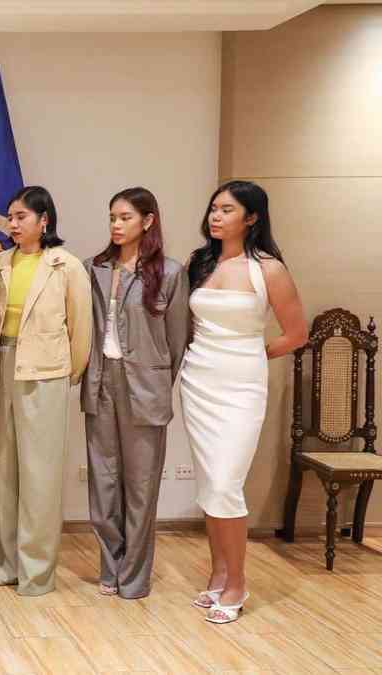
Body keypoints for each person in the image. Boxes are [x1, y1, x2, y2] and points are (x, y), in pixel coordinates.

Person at [181, 180, 306, 624]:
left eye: (227, 210)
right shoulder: (201, 262)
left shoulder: (268, 269)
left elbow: (296, 334)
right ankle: (218, 573)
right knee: (209, 484)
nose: (216, 216)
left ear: (251, 218)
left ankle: (237, 584)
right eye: (214, 208)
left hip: (241, 387)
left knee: (225, 485)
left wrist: (253, 353)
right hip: (197, 382)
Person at [81, 187, 189, 600]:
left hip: (145, 387)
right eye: (112, 216)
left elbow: (177, 342)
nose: (116, 224)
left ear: (148, 220)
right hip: (100, 382)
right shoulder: (96, 269)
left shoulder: (171, 273)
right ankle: (111, 567)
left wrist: (155, 380)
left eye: (125, 217)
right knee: (103, 484)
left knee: (141, 486)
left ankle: (135, 576)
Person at [0, 185, 91, 596]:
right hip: (1, 369)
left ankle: (37, 571)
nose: (13, 224)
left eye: (21, 217)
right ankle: (4, 563)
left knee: (40, 475)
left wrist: (68, 374)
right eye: (10, 217)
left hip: (45, 372)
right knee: (2, 469)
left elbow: (81, 329)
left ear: (44, 220)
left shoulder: (65, 266)